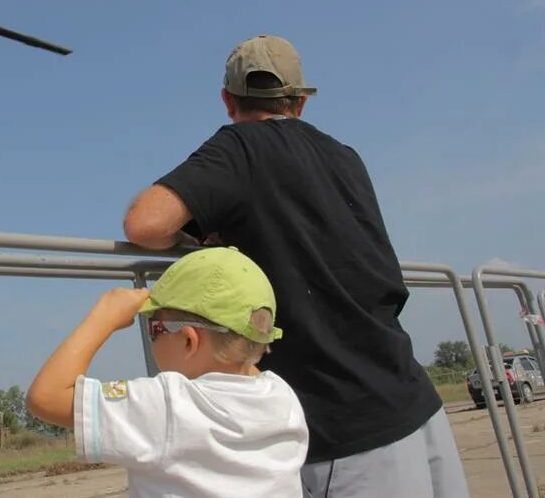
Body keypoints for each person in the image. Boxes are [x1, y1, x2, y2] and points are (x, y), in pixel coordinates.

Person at [123, 34, 469, 497]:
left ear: (228, 101)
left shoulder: (240, 147)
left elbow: (144, 223)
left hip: (346, 433)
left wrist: (199, 238)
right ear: (300, 102)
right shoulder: (346, 157)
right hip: (413, 400)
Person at [26, 246, 309, 497]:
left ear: (188, 341)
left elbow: (45, 396)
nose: (151, 335)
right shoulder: (282, 397)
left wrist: (104, 316)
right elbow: (240, 359)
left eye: (154, 328)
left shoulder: (168, 406)